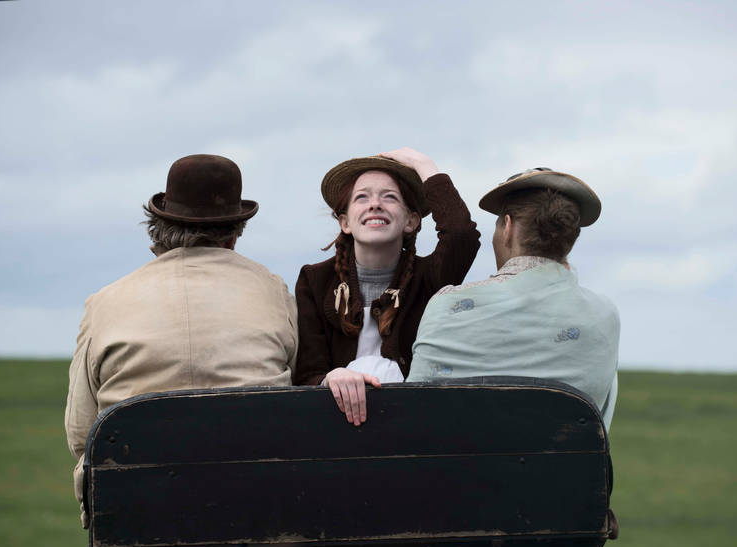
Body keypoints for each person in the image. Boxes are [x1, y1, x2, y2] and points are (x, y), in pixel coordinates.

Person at [64, 154, 298, 527]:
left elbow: (81, 431)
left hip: (133, 508)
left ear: (157, 227)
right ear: (235, 231)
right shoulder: (272, 290)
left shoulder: (104, 302)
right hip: (254, 504)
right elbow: (297, 393)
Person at [407, 168, 620, 430]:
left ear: (507, 228)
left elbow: (413, 413)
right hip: (565, 458)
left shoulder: (448, 305)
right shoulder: (604, 315)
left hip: (460, 458)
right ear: (569, 239)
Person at [294, 147, 480, 426]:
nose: (375, 205)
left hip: (414, 422)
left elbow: (461, 235)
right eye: (362, 197)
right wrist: (330, 378)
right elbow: (307, 374)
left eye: (389, 197)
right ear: (345, 222)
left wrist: (424, 165)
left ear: (411, 221)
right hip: (335, 423)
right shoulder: (315, 280)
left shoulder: (430, 277)